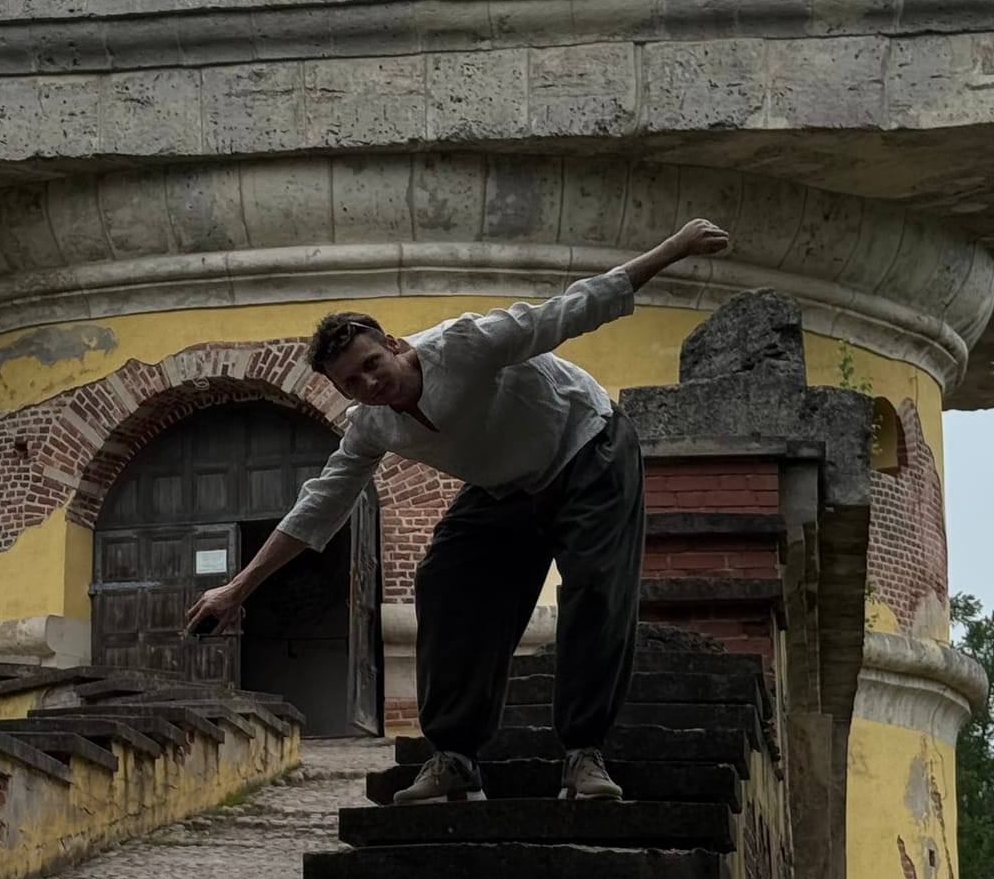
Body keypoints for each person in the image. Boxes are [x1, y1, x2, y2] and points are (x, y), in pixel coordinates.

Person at [184, 220, 731, 801]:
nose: (370, 383)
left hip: (586, 446)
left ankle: (583, 754)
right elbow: (320, 504)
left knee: (595, 586)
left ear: (394, 345)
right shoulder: (370, 425)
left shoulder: (468, 343)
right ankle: (454, 757)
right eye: (352, 382)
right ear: (341, 392)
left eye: (372, 364)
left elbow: (573, 309)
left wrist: (675, 248)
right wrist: (235, 591)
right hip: (504, 485)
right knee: (445, 579)